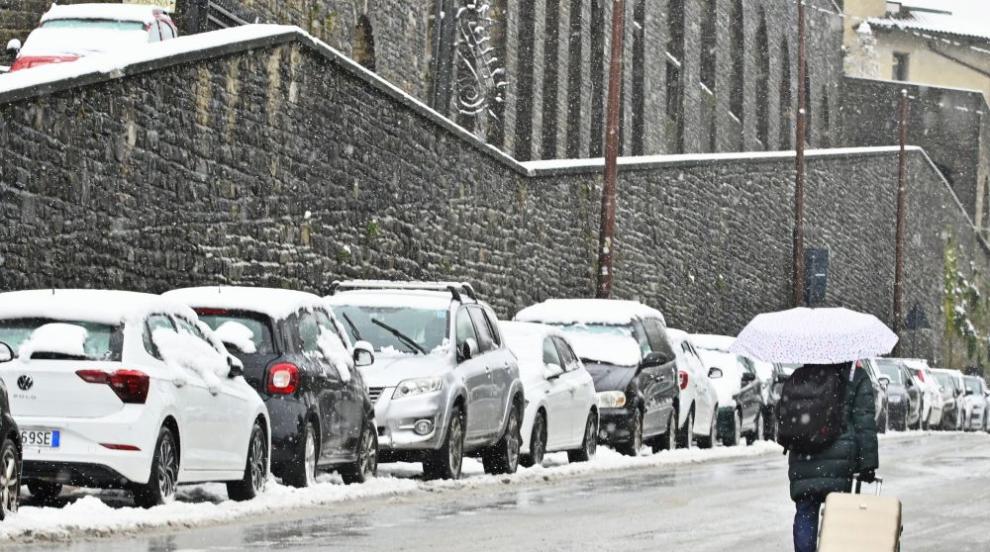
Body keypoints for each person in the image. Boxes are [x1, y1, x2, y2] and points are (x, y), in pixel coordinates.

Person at [788, 361, 879, 552]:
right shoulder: (856, 378)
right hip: (840, 461)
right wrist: (867, 464)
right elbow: (864, 422)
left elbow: (787, 418)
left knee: (806, 511)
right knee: (839, 517)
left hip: (804, 456)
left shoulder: (800, 376)